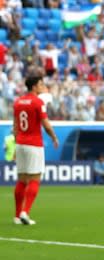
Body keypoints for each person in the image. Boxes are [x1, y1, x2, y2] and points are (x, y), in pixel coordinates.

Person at [12, 75, 59, 225]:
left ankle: (17, 215)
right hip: (33, 144)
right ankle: (25, 212)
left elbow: (15, 127)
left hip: (20, 143)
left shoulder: (18, 102)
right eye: (40, 84)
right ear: (34, 87)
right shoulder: (38, 102)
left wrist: (15, 145)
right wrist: (53, 137)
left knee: (22, 179)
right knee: (35, 178)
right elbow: (46, 124)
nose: (42, 86)